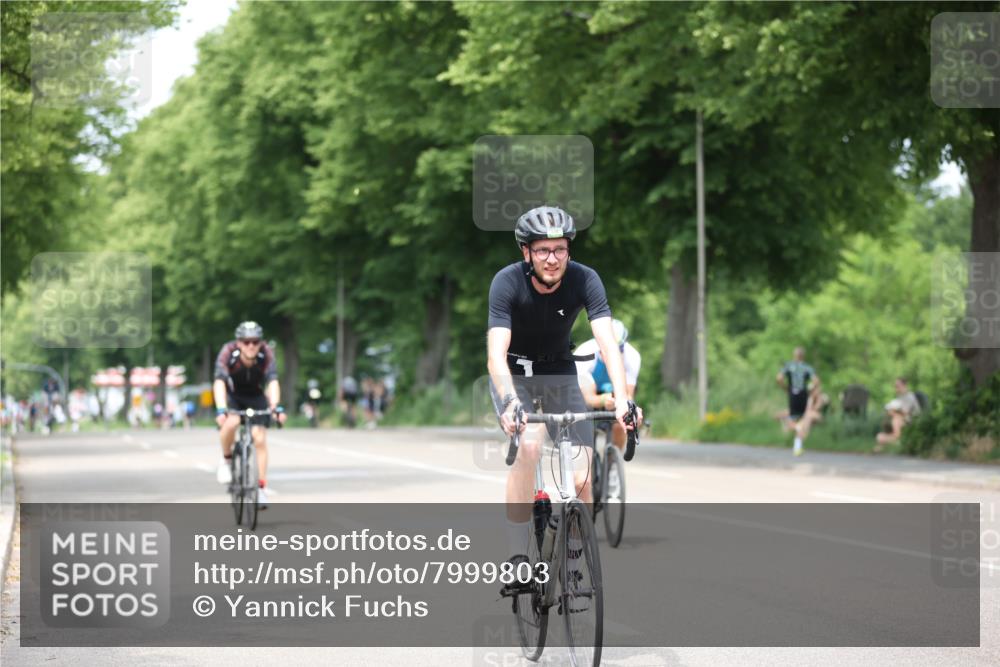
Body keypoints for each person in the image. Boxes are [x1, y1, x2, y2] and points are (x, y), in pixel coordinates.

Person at [488, 205, 642, 572]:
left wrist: (623, 400)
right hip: (517, 375)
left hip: (561, 374)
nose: (552, 259)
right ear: (526, 252)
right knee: (528, 446)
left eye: (560, 249)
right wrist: (509, 401)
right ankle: (517, 557)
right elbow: (496, 353)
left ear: (569, 250)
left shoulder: (585, 279)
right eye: (542, 250)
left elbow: (606, 343)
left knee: (581, 478)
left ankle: (571, 556)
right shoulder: (506, 282)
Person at [213, 321, 286, 508]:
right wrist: (221, 409)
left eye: (255, 341)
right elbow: (219, 382)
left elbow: (272, 381)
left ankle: (261, 489)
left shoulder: (266, 354)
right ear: (238, 343)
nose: (251, 346)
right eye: (246, 342)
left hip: (256, 396)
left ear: (260, 342)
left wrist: (276, 407)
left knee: (259, 438)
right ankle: (227, 460)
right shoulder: (228, 352)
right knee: (231, 423)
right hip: (234, 396)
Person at [575, 318, 641, 454]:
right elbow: (589, 398)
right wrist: (604, 400)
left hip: (615, 393)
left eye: (618, 350)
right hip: (588, 393)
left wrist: (627, 408)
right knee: (585, 430)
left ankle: (613, 460)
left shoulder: (633, 357)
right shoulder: (584, 354)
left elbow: (628, 395)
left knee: (623, 420)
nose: (612, 355)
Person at [776, 347, 820, 456]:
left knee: (795, 419)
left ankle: (797, 442)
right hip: (803, 394)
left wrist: (785, 388)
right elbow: (816, 381)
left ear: (794, 355)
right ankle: (797, 445)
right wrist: (810, 390)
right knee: (802, 419)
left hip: (792, 393)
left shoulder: (788, 366)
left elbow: (779, 378)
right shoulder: (807, 367)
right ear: (803, 356)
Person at [875, 377, 921, 450]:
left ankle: (896, 439)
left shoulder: (909, 396)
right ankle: (889, 440)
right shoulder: (900, 397)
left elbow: (905, 413)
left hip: (911, 420)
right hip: (903, 419)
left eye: (897, 386)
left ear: (904, 386)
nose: (896, 388)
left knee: (895, 419)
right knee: (887, 418)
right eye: (895, 386)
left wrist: (893, 411)